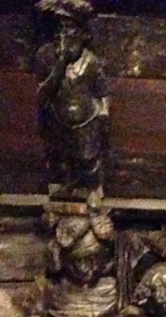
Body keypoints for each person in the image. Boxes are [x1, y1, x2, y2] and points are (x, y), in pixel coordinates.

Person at [34, 0, 109, 198]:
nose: (64, 35)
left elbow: (101, 92)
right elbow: (43, 93)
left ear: (82, 34)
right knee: (59, 159)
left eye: (69, 29)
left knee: (87, 159)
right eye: (59, 29)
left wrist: (103, 116)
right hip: (57, 118)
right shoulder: (45, 56)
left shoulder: (91, 61)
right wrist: (61, 63)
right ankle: (63, 188)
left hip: (86, 121)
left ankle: (92, 190)